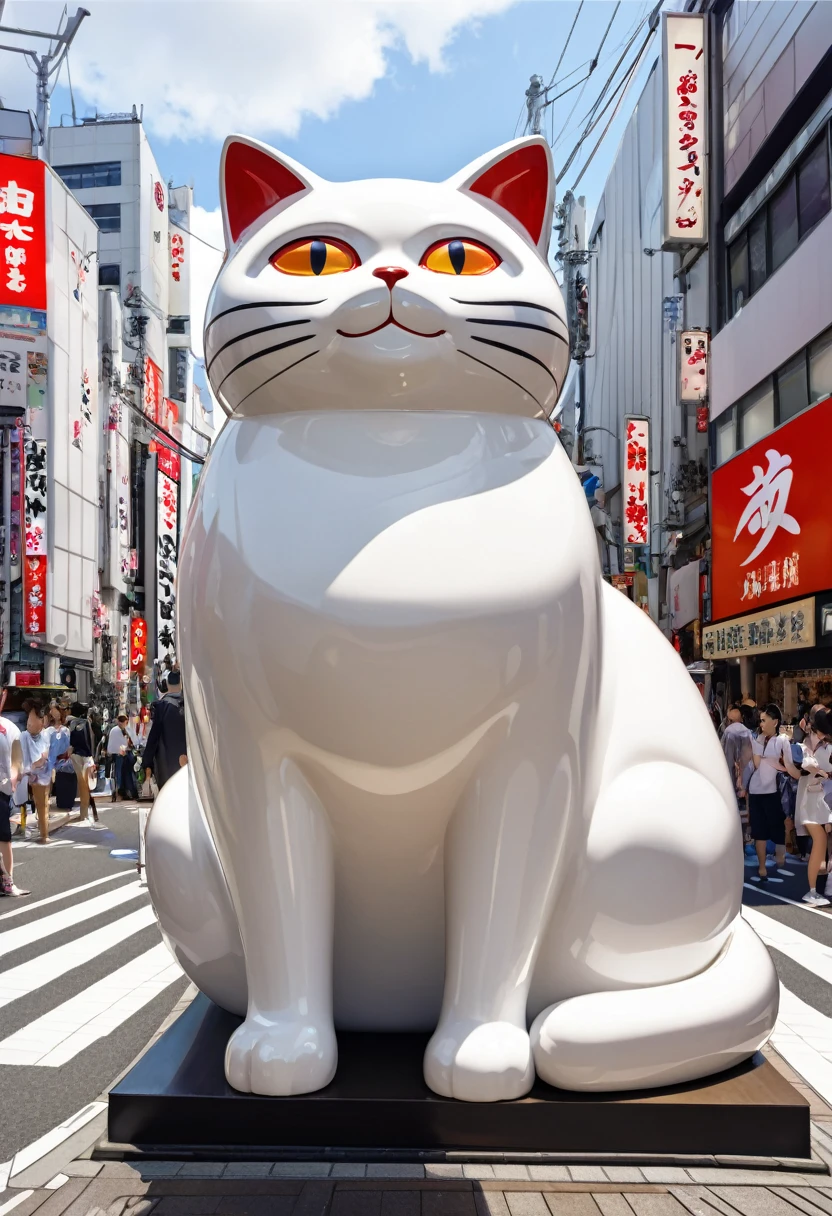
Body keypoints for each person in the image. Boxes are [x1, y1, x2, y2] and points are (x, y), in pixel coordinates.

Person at [748, 703, 803, 883]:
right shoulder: (758, 738)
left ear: (775, 721)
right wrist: (761, 745)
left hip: (773, 791)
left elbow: (788, 766)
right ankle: (762, 867)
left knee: (777, 827)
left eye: (764, 720)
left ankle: (779, 857)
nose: (761, 724)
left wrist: (803, 777)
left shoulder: (782, 741)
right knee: (759, 832)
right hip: (756, 791)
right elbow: (756, 764)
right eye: (760, 720)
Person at [795, 708, 832, 907]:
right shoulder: (815, 747)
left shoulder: (812, 743)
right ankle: (811, 890)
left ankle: (817, 880)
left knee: (821, 842)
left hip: (814, 802)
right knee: (819, 841)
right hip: (811, 803)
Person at [142, 669, 187, 791]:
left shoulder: (163, 707)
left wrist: (147, 762)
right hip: (190, 763)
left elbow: (154, 737)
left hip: (167, 764)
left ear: (166, 685)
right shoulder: (189, 704)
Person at [20, 704, 53, 843]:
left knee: (44, 804)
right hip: (34, 775)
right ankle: (44, 835)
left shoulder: (45, 734)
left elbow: (47, 753)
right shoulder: (24, 736)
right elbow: (29, 758)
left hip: (42, 774)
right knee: (41, 805)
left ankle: (43, 833)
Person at [722, 704, 755, 842]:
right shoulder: (748, 732)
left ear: (729, 719)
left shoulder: (728, 732)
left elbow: (726, 757)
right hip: (746, 773)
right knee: (746, 808)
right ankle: (746, 835)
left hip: (731, 774)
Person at [68, 703, 98, 823]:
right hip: (87, 757)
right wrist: (93, 758)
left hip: (75, 755)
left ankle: (84, 813)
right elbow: (91, 740)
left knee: (82, 785)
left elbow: (71, 741)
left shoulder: (71, 724)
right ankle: (84, 813)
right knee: (87, 786)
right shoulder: (86, 723)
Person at [107, 714, 137, 802]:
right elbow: (120, 743)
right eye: (125, 722)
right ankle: (122, 790)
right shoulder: (117, 730)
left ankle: (124, 790)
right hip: (119, 755)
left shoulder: (119, 730)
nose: (125, 724)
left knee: (122, 773)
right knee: (121, 773)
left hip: (121, 755)